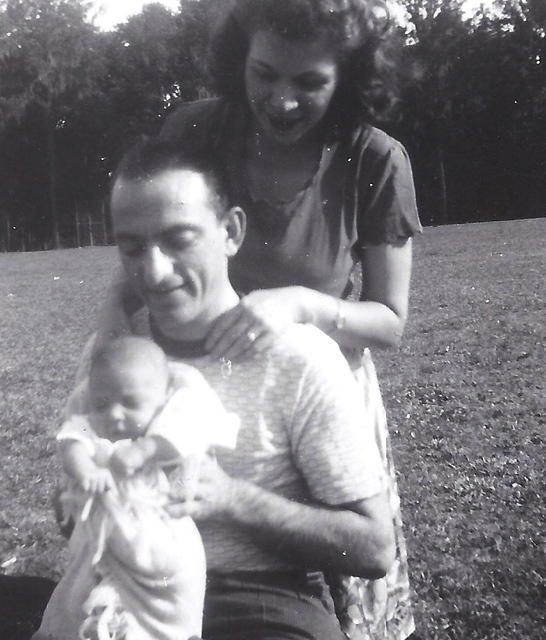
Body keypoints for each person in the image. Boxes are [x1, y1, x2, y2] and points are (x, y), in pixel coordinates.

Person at [98, 1, 422, 638]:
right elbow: (146, 250)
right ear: (238, 55)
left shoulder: (374, 158)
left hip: (313, 386)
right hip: (198, 375)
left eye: (310, 83)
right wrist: (111, 347)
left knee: (330, 584)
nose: (281, 100)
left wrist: (301, 306)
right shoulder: (198, 130)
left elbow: (390, 319)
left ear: (349, 76)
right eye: (264, 74)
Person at [79, 138, 396, 640]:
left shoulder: (299, 357)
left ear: (231, 231)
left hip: (262, 600)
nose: (154, 271)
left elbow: (374, 548)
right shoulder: (115, 351)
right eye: (132, 247)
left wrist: (231, 499)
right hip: (127, 595)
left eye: (178, 239)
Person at [34, 335, 238, 640]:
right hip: (100, 544)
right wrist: (87, 469)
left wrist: (145, 450)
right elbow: (72, 440)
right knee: (76, 600)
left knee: (171, 603)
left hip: (157, 540)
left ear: (163, 398)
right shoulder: (92, 423)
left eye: (130, 403)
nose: (114, 414)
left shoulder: (169, 424)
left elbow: (185, 441)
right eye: (103, 403)